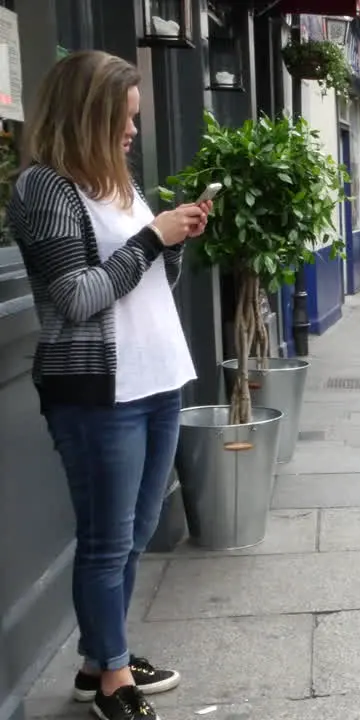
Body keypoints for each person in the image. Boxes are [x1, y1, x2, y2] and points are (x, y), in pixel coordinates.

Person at [9, 51, 211, 720]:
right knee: (105, 539)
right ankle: (112, 679)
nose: (133, 130)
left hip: (155, 380)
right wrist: (153, 239)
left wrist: (172, 243)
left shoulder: (117, 184)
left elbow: (150, 284)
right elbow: (74, 297)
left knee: (136, 531)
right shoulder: (45, 188)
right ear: (90, 115)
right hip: (99, 392)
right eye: (125, 118)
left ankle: (104, 659)